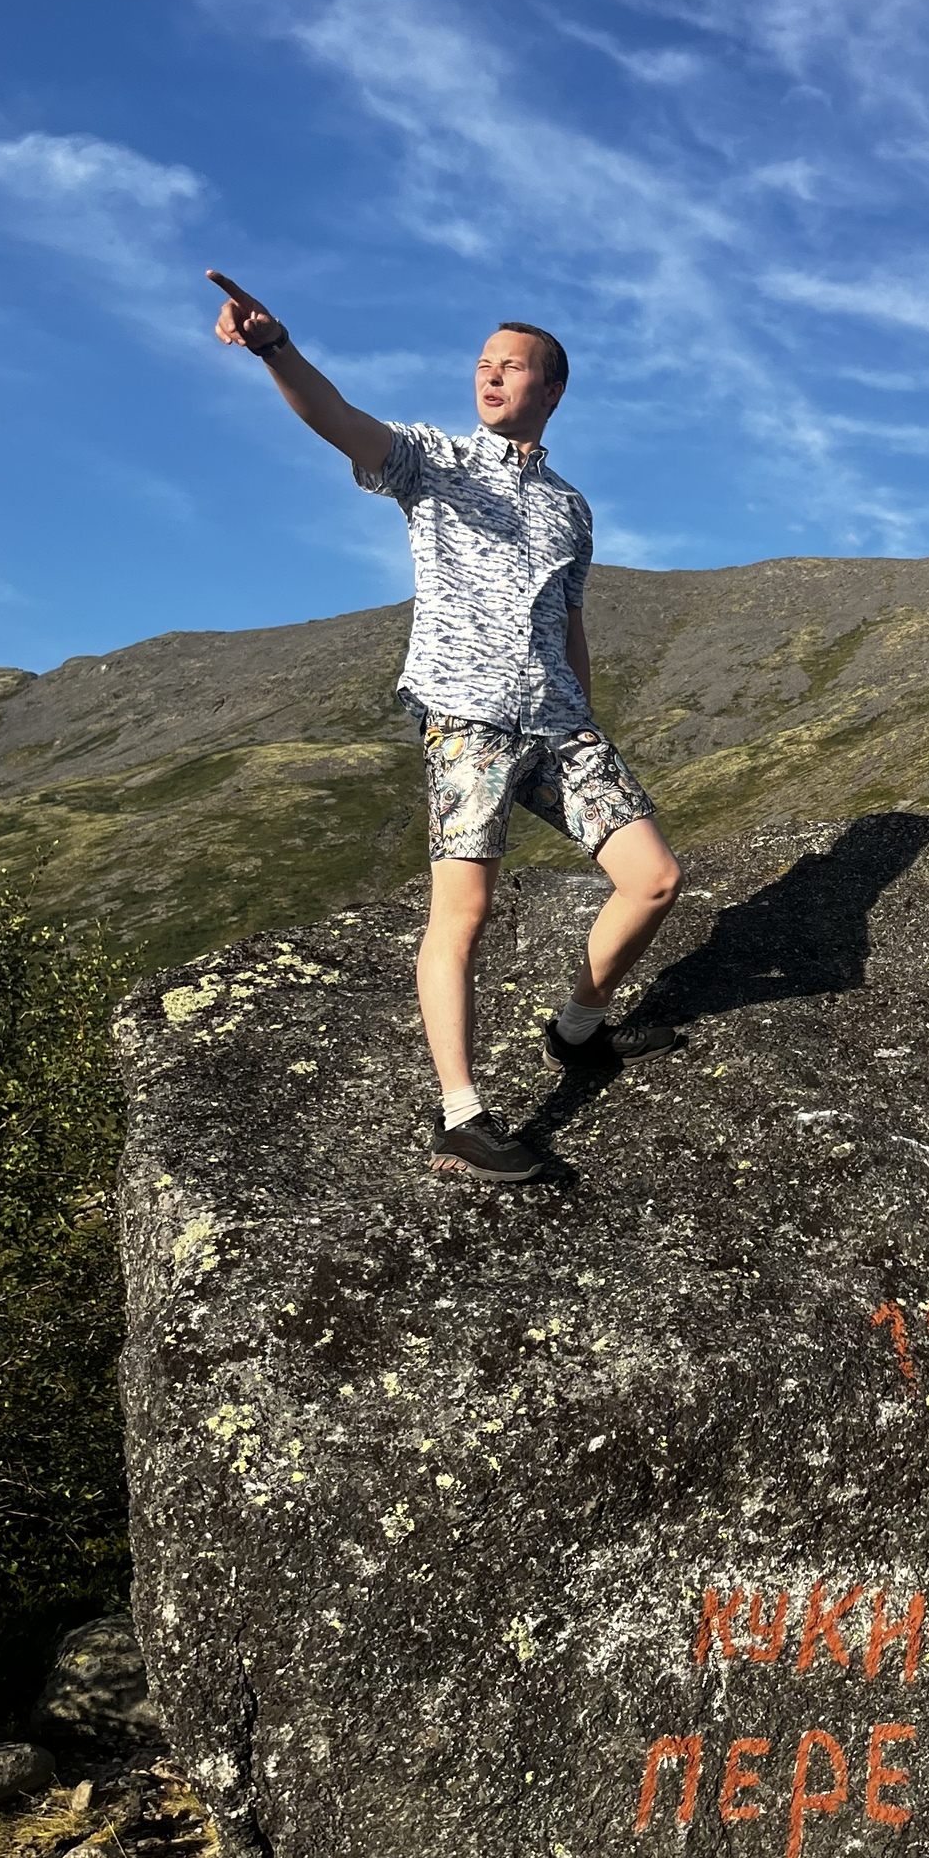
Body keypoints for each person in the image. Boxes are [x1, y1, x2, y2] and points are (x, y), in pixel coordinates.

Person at [207, 269, 683, 1183]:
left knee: (654, 879)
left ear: (553, 389)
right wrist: (275, 347)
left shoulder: (571, 507)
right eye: (482, 365)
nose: (491, 377)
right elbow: (338, 419)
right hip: (467, 720)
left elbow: (567, 619)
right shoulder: (434, 460)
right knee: (462, 911)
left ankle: (578, 1028)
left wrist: (586, 713)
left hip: (559, 722)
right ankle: (460, 1112)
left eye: (513, 367)